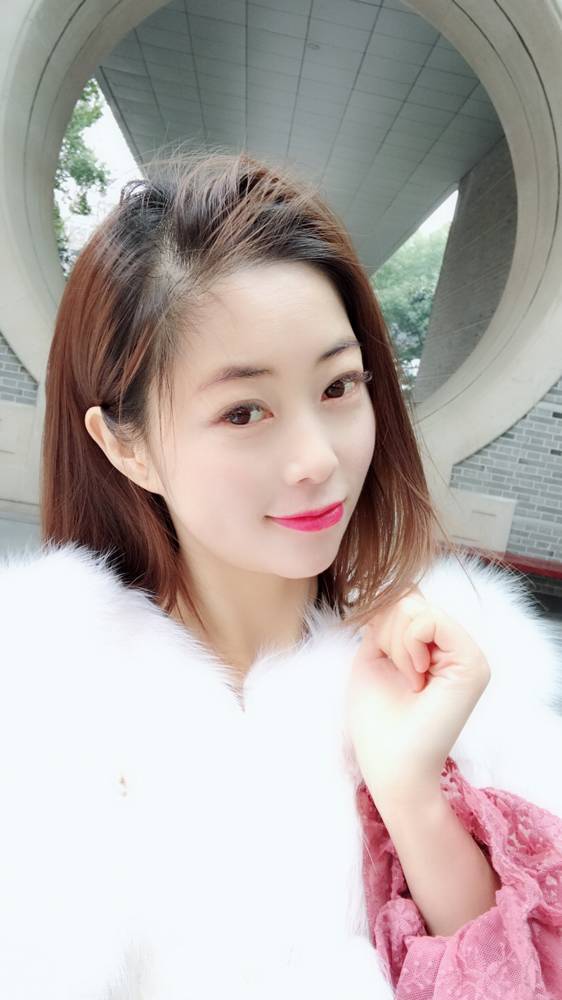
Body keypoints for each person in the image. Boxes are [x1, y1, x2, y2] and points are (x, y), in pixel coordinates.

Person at [0, 151, 561, 999]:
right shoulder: (38, 702)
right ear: (126, 446)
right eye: (244, 410)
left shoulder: (461, 676)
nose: (318, 459)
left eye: (338, 387)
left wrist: (412, 794)